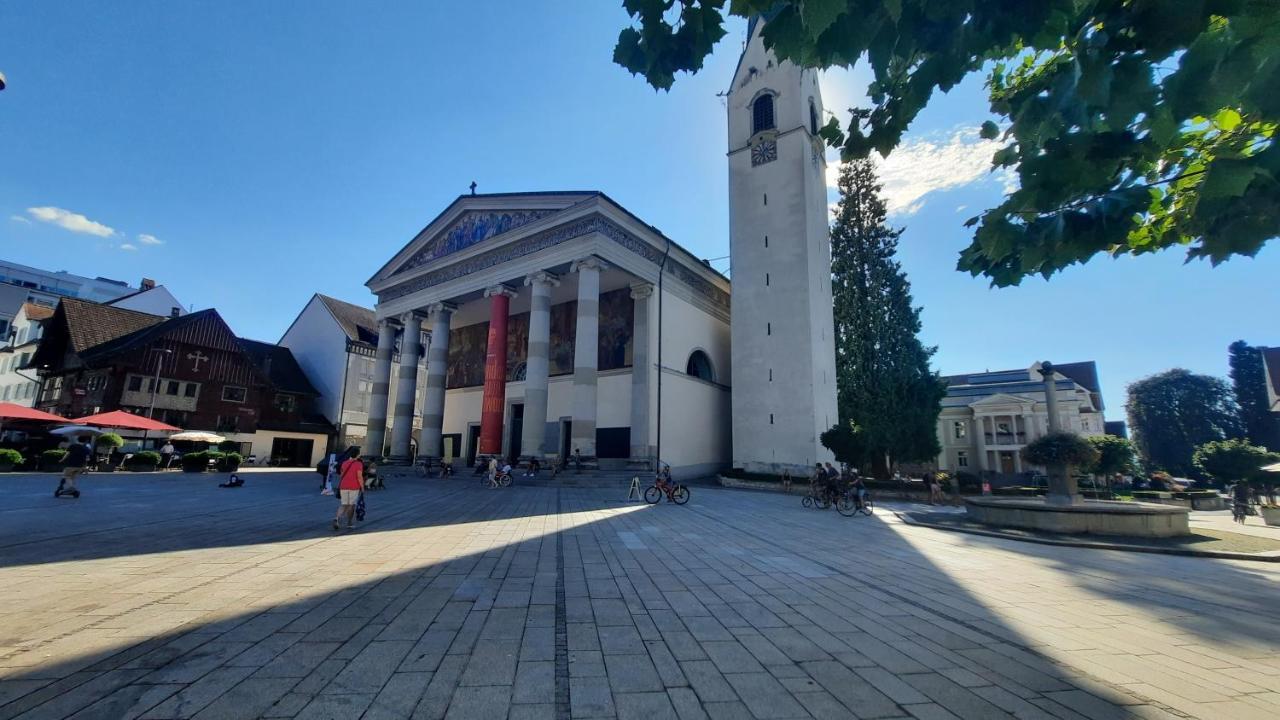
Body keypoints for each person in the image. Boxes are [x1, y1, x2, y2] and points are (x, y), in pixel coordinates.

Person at [333, 447, 365, 531]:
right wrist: (362, 487)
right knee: (351, 505)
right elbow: (359, 477)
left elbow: (341, 475)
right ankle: (349, 523)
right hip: (354, 487)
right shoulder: (358, 464)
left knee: (344, 504)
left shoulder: (344, 463)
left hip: (343, 486)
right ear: (358, 455)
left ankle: (336, 518)